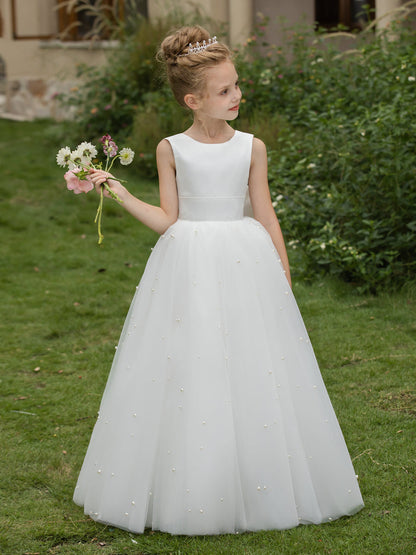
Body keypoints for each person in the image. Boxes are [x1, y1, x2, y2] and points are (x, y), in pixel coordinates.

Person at [73, 25, 364, 535]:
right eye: (225, 90)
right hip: (189, 265)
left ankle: (261, 474)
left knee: (255, 362)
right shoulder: (171, 149)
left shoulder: (252, 147)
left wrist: (282, 270)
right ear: (193, 100)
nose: (237, 95)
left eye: (236, 85)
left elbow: (265, 213)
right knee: (193, 361)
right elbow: (168, 219)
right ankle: (194, 478)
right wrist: (116, 190)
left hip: (246, 262)